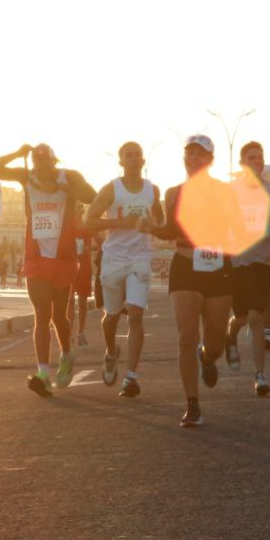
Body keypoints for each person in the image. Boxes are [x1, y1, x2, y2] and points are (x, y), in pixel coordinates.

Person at [147, 135, 247, 427]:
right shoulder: (174, 193)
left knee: (213, 342)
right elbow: (168, 230)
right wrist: (149, 226)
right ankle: (192, 404)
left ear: (210, 160)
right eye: (189, 154)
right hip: (185, 267)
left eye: (200, 154)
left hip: (217, 268)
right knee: (186, 337)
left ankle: (209, 357)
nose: (193, 159)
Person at [0, 143, 95, 397]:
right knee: (41, 315)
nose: (41, 168)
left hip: (63, 257)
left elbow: (92, 196)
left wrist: (68, 189)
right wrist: (15, 153)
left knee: (59, 317)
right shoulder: (27, 177)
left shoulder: (70, 176)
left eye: (45, 163)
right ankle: (43, 373)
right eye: (36, 162)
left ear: (54, 162)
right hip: (36, 256)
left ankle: (66, 352)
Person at [82, 141, 163, 398]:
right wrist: (117, 222)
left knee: (136, 315)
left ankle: (131, 377)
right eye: (128, 155)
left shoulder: (152, 190)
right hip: (114, 258)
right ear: (121, 162)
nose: (134, 159)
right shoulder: (111, 189)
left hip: (140, 257)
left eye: (137, 155)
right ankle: (110, 351)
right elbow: (89, 220)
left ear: (143, 161)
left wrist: (152, 224)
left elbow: (160, 220)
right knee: (112, 316)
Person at [225, 141, 270, 397]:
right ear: (242, 163)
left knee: (256, 318)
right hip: (236, 265)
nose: (258, 162)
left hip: (263, 265)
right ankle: (231, 333)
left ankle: (260, 376)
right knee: (243, 318)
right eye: (252, 158)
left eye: (261, 157)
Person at [67, 216, 97, 347]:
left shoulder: (87, 227)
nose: (77, 211)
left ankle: (80, 333)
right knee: (70, 302)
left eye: (80, 208)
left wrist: (90, 249)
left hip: (84, 269)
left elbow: (102, 243)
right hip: (70, 268)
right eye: (76, 209)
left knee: (82, 303)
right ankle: (68, 334)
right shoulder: (67, 227)